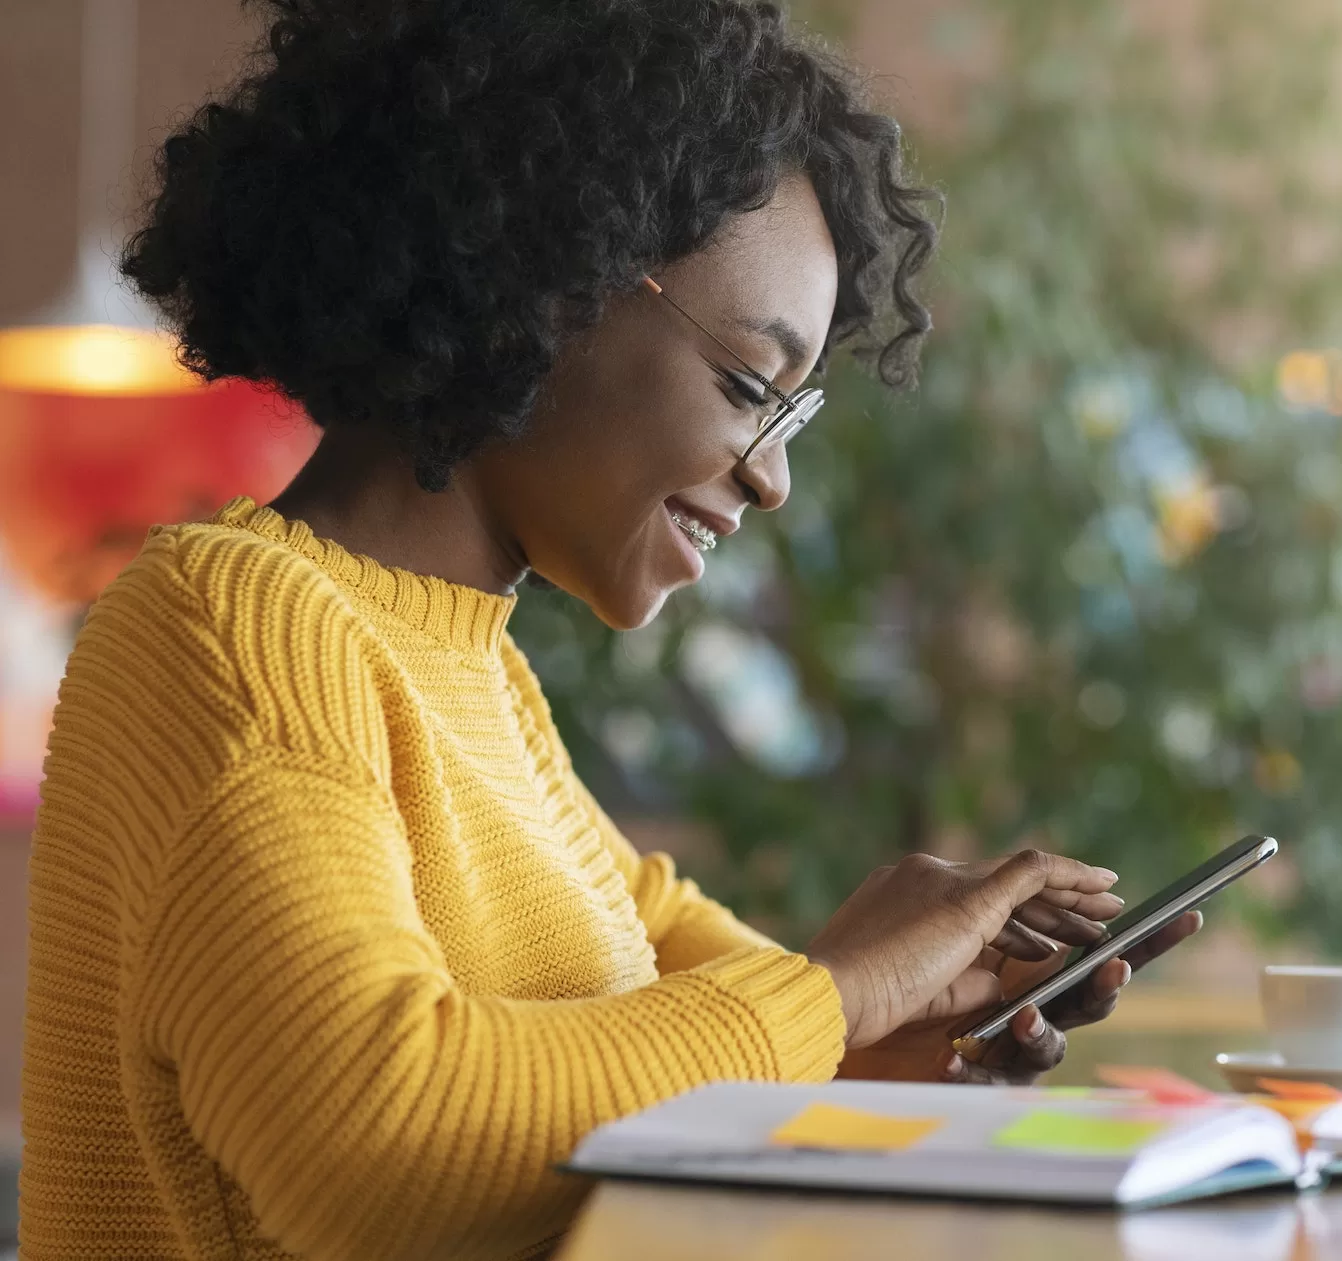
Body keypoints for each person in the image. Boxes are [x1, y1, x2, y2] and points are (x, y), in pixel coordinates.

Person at [17, 2, 1200, 1258]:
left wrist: (911, 1034)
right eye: (749, 386)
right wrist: (838, 994)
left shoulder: (483, 686)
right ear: (539, 281)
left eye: (787, 421)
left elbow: (671, 1062)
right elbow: (378, 1151)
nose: (769, 479)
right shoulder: (224, 624)